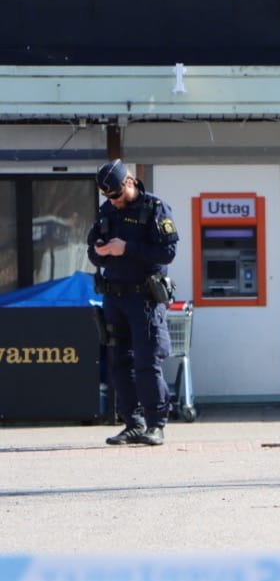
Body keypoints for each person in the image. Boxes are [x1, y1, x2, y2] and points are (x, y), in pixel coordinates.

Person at [87, 160, 179, 447]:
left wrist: (126, 248)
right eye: (107, 196)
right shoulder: (107, 211)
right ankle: (132, 423)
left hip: (144, 299)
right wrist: (102, 251)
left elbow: (167, 252)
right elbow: (93, 251)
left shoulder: (154, 208)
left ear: (128, 182)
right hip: (114, 297)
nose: (112, 200)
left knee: (147, 362)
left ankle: (156, 425)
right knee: (119, 362)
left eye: (115, 194)